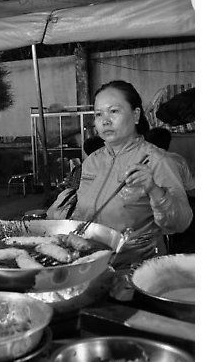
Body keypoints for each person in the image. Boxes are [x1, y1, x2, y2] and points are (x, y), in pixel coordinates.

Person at [69, 80, 193, 268]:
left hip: (137, 270)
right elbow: (82, 212)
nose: (105, 120)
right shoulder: (92, 161)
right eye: (98, 114)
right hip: (92, 266)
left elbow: (180, 223)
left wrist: (154, 190)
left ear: (135, 115)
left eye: (114, 111)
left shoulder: (157, 161)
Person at [145, 127, 195, 196]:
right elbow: (190, 188)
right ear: (168, 143)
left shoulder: (141, 161)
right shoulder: (178, 159)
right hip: (178, 202)